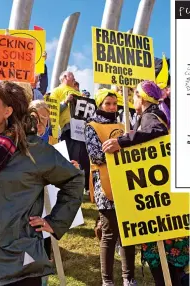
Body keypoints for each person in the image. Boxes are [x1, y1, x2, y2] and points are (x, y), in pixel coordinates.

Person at [0, 81, 84, 286]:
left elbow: (74, 179)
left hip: (19, 265)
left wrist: (55, 222)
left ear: (7, 111)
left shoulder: (31, 149)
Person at [102, 81, 189, 286]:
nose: (132, 99)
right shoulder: (155, 113)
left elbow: (156, 131)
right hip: (166, 200)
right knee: (173, 269)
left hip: (157, 206)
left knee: (165, 270)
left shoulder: (150, 116)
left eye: (134, 95)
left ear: (142, 98)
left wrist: (122, 141)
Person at [85, 89, 137, 286]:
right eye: (107, 103)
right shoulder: (92, 126)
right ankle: (107, 281)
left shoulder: (123, 126)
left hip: (126, 182)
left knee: (128, 232)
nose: (112, 107)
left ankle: (128, 278)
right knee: (109, 234)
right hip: (105, 185)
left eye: (114, 104)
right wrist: (121, 147)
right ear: (99, 104)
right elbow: (96, 156)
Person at [51, 71, 90, 193]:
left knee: (83, 157)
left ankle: (85, 187)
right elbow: (52, 109)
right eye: (72, 75)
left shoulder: (78, 92)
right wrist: (65, 101)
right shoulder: (57, 91)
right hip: (68, 128)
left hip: (81, 128)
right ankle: (69, 187)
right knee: (71, 156)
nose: (74, 78)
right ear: (64, 78)